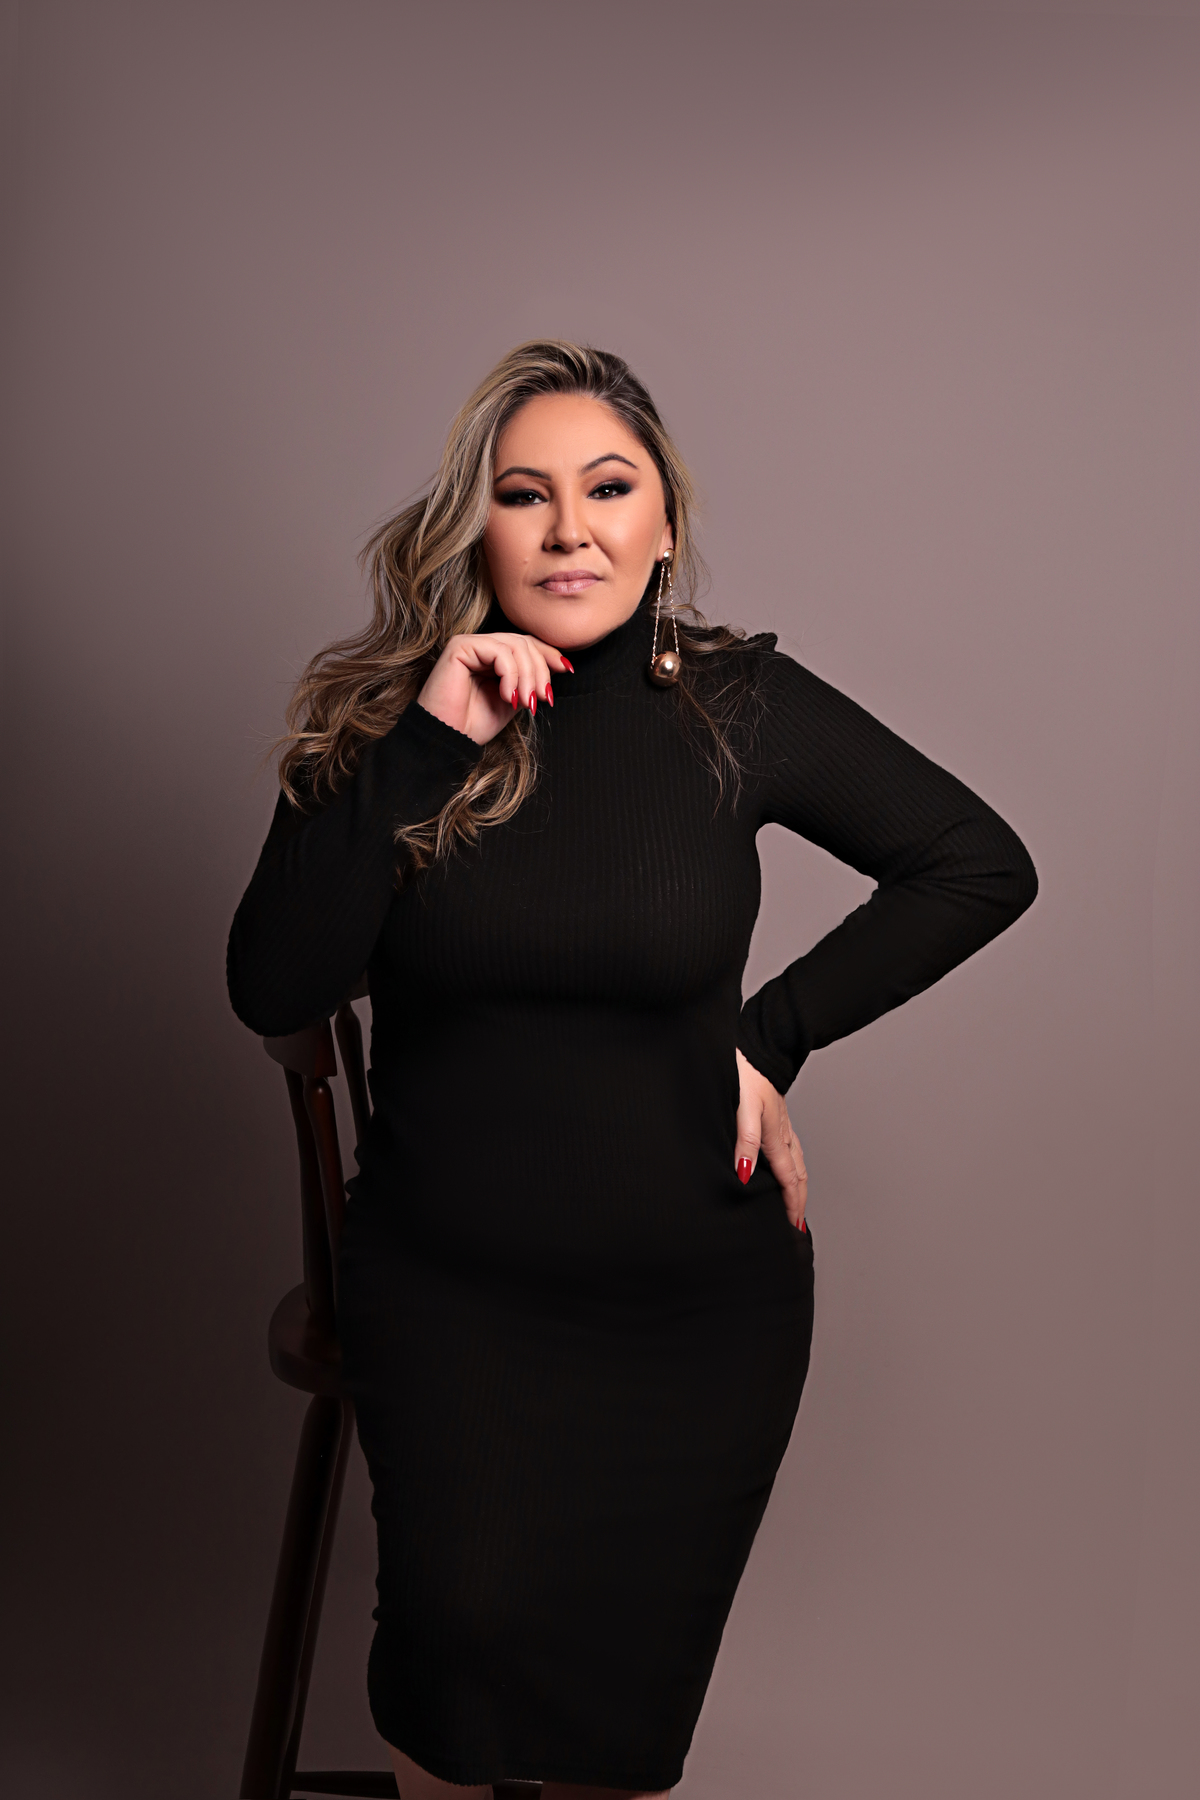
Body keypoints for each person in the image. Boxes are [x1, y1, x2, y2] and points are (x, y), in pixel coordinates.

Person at [227, 340, 1037, 1800]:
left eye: (608, 489)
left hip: (694, 1302)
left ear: (666, 524)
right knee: (455, 1686)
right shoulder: (388, 720)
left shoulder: (737, 706)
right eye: (523, 494)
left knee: (615, 1732)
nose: (570, 529)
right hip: (454, 1290)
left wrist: (769, 1038)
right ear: (475, 527)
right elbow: (272, 986)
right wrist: (428, 742)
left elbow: (977, 863)